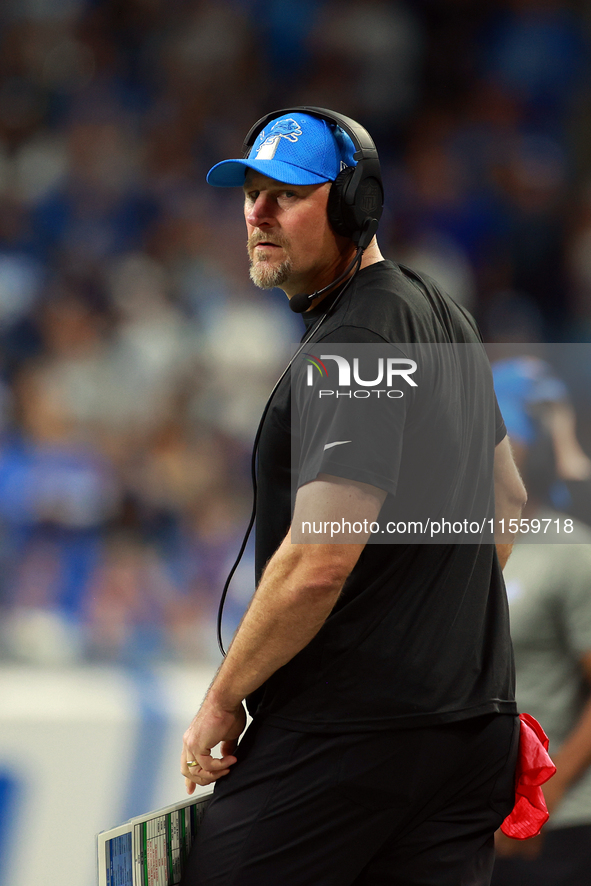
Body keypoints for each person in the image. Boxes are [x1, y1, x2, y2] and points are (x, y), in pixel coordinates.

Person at [179, 108, 527, 886]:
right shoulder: (441, 315)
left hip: (351, 735)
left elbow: (318, 561)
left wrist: (222, 697)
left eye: (287, 195)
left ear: (352, 206)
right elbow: (507, 504)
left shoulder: (356, 345)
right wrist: (429, 620)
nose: (257, 215)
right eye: (250, 194)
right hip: (468, 732)